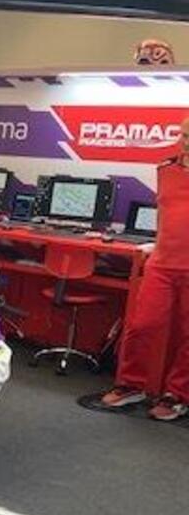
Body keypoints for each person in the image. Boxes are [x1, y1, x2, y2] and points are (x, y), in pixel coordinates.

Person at [100, 116, 189, 421]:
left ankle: (177, 395)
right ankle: (131, 385)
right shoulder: (165, 169)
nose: (187, 143)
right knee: (142, 326)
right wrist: (159, 242)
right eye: (184, 136)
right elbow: (166, 213)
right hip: (162, 264)